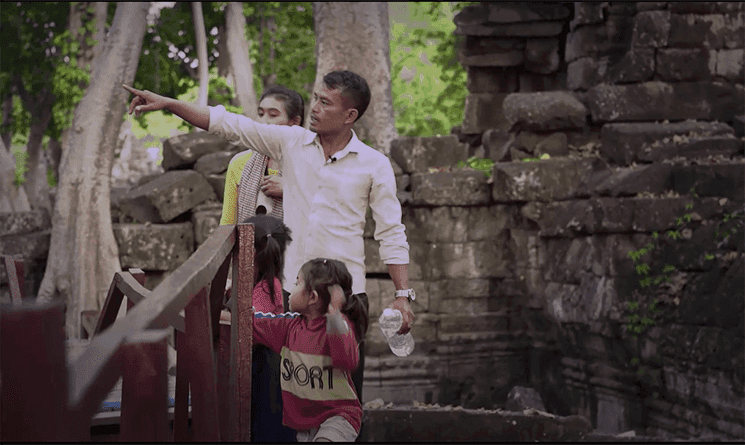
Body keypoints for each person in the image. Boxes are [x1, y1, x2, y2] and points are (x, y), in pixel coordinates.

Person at [124, 70, 416, 407]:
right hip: (293, 296)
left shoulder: (373, 164)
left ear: (350, 115)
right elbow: (228, 123)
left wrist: (402, 296)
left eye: (325, 102)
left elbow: (391, 232)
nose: (315, 108)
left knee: (341, 401)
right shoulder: (291, 142)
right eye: (316, 98)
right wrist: (169, 104)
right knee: (286, 403)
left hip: (345, 299)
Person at [251, 258, 368, 442]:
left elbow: (348, 359)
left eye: (297, 283)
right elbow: (254, 323)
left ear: (312, 297)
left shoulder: (338, 328)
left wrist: (335, 317)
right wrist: (232, 305)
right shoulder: (289, 327)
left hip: (339, 417)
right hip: (305, 426)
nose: (290, 288)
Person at [219, 214, 297, 442]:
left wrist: (224, 313)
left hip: (264, 379)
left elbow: (250, 325)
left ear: (250, 253)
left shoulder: (267, 289)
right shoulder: (259, 284)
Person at [220, 86, 305, 227]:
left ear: (294, 122)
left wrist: (290, 190)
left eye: (273, 115)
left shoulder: (311, 160)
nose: (263, 122)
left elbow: (327, 212)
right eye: (260, 114)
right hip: (249, 247)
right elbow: (228, 223)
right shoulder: (240, 162)